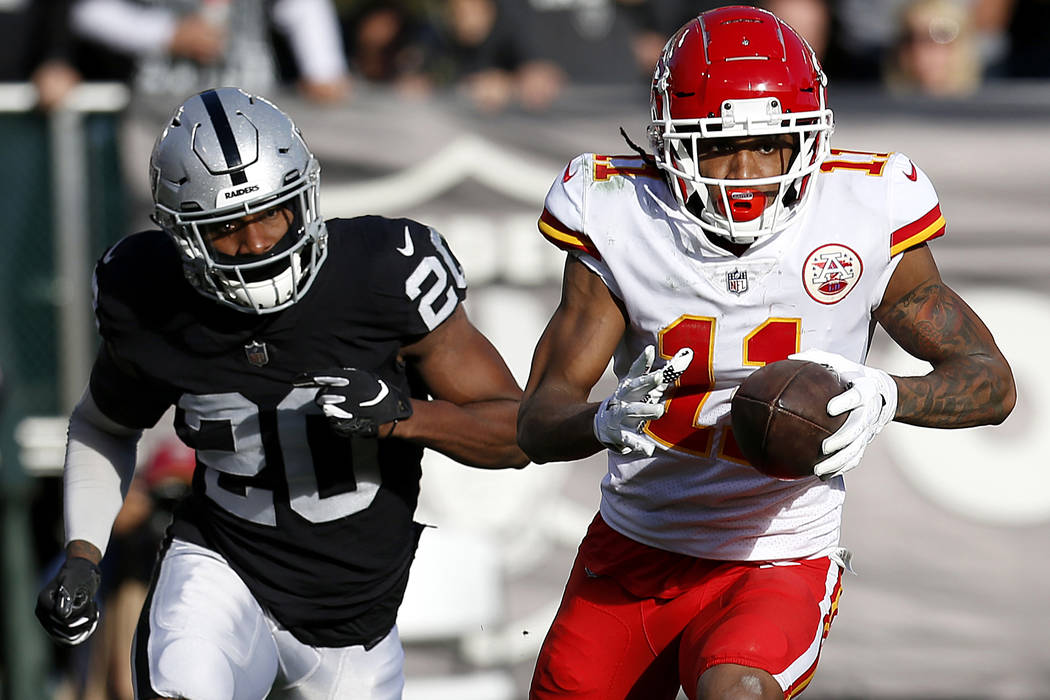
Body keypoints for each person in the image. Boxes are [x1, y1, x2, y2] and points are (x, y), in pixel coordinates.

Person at [517, 6, 1014, 699]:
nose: (744, 174)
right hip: (635, 548)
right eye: (716, 146)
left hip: (778, 557)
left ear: (809, 141)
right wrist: (598, 420)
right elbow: (537, 420)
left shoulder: (864, 209)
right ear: (669, 143)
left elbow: (991, 384)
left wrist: (887, 396)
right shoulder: (616, 209)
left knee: (738, 692)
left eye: (770, 144)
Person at [34, 86, 527, 699]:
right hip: (224, 568)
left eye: (274, 212)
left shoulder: (382, 272)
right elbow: (104, 424)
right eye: (227, 229)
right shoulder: (148, 292)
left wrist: (403, 416)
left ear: (306, 196)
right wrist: (84, 551)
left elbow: (516, 430)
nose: (259, 242)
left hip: (356, 626)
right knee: (180, 685)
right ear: (182, 235)